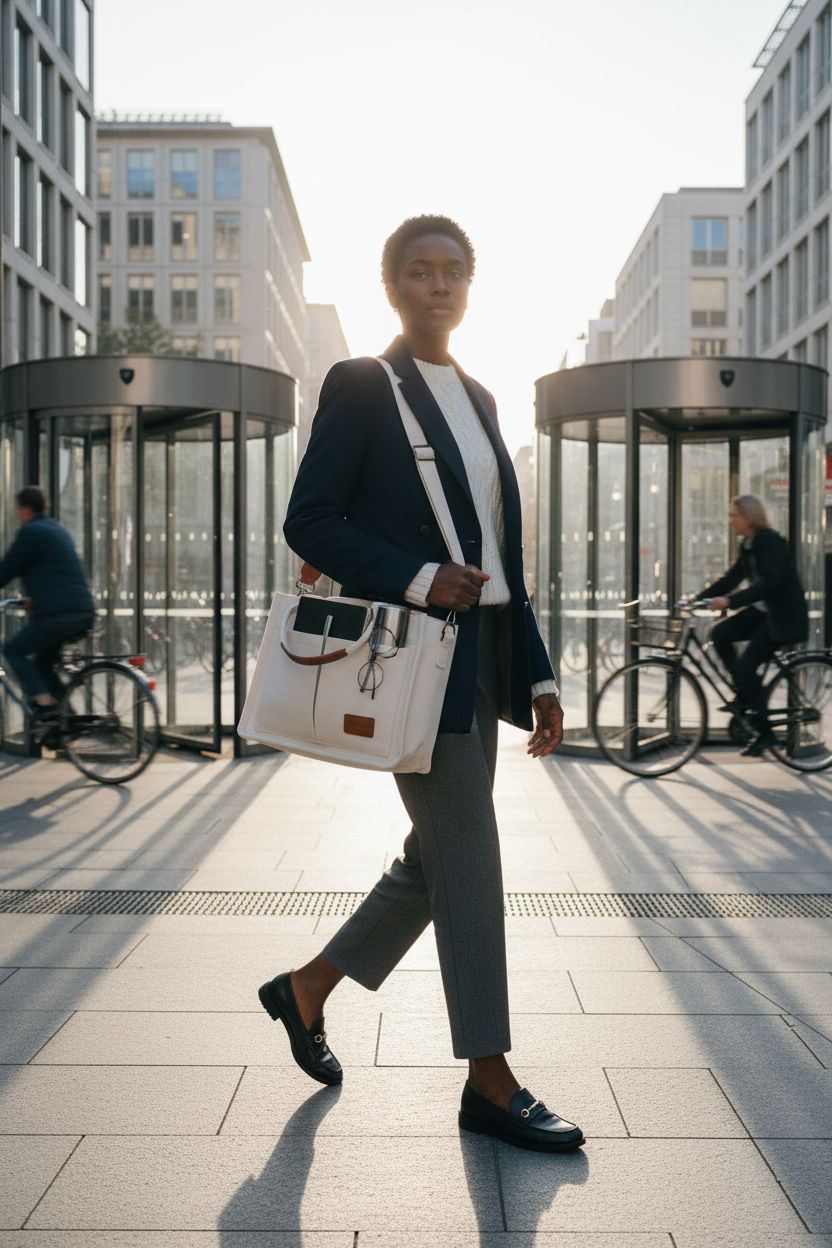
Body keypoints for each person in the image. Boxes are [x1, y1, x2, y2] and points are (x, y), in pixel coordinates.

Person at [257, 215, 584, 1154]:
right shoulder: (363, 386)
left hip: (483, 655)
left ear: (470, 288)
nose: (438, 285)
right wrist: (414, 575)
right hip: (416, 662)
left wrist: (542, 672)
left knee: (434, 856)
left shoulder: (481, 399)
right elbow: (309, 519)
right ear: (392, 286)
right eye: (419, 271)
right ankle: (490, 1079)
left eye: (453, 272)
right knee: (470, 855)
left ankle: (308, 988)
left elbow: (500, 556)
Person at [702, 494, 808, 757]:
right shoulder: (748, 544)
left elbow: (770, 583)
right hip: (763, 614)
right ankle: (744, 693)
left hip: (781, 617)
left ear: (748, 517)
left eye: (734, 515)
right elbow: (732, 577)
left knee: (746, 666)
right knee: (720, 633)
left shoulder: (769, 542)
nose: (730, 520)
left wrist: (730, 601)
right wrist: (698, 598)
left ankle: (766, 734)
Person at [0, 486, 95, 721]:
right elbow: (56, 575)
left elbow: (7, 569)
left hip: (59, 615)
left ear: (23, 509)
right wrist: (34, 599)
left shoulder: (31, 532)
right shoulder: (55, 529)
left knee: (13, 650)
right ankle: (66, 718)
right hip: (80, 610)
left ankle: (44, 704)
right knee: (43, 664)